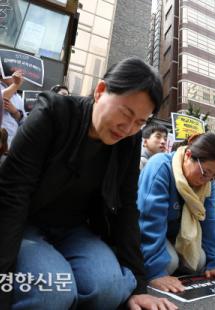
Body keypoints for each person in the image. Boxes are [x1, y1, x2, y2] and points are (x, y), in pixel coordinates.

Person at [0, 57, 176, 310]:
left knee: (108, 289)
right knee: (52, 293)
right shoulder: (53, 112)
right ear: (100, 90)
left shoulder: (129, 140)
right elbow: (11, 196)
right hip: (26, 223)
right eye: (125, 113)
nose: (127, 128)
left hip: (75, 229)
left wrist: (138, 285)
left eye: (140, 122)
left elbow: (127, 206)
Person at [138, 133, 215, 296]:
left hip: (175, 235)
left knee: (199, 262)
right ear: (189, 155)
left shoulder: (208, 183)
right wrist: (155, 271)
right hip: (150, 232)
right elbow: (149, 221)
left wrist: (214, 263)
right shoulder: (161, 166)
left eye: (214, 176)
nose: (208, 180)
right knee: (169, 264)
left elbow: (210, 220)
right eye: (205, 172)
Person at [0, 70, 26, 147]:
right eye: (14, 73)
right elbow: (2, 97)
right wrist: (16, 84)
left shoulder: (18, 97)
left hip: (11, 144)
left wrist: (15, 112)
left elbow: (24, 121)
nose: (18, 76)